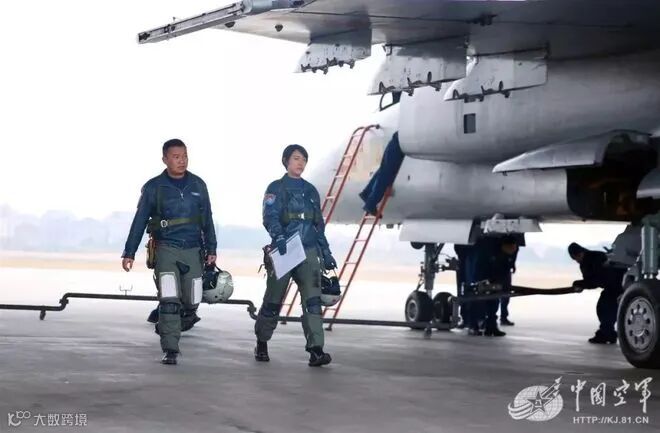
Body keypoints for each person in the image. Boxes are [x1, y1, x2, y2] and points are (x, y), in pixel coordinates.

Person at [121, 138, 217, 365]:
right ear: (165, 159)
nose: (181, 161)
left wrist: (212, 248)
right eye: (176, 157)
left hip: (193, 248)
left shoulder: (198, 185)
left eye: (184, 156)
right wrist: (129, 251)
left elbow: (207, 218)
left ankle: (181, 318)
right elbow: (139, 220)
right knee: (169, 299)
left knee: (193, 297)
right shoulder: (154, 187)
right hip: (166, 248)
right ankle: (170, 348)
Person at [254, 144, 338, 367]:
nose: (301, 163)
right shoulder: (276, 188)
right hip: (285, 250)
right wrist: (278, 236)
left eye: (304, 160)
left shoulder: (310, 191)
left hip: (308, 251)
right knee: (273, 301)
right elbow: (269, 216)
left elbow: (318, 225)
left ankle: (316, 350)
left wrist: (326, 252)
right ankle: (262, 342)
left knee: (313, 302)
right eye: (296, 158)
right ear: (286, 161)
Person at [568, 242, 625, 344]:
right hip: (611, 287)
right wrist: (582, 285)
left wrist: (581, 284)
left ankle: (606, 334)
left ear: (580, 253)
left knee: (606, 309)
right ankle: (608, 333)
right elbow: (593, 282)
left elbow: (596, 280)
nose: (577, 261)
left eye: (576, 257)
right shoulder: (586, 262)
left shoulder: (596, 258)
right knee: (602, 309)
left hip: (617, 286)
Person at [359, 132, 405, 215]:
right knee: (386, 176)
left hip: (396, 142)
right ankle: (371, 204)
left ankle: (367, 193)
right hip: (399, 143)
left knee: (384, 170)